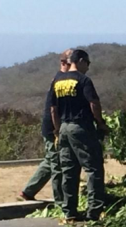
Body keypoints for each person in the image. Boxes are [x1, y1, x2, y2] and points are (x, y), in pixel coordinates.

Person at [50, 49, 109, 222]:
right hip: (81, 127)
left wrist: (57, 129)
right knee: (93, 168)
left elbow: (53, 109)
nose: (88, 67)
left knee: (69, 171)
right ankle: (94, 211)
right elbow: (94, 103)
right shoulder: (83, 80)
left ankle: (70, 212)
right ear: (81, 61)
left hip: (64, 128)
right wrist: (100, 123)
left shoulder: (58, 80)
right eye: (88, 63)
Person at [18, 49, 73, 204]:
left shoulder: (60, 78)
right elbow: (54, 108)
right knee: (57, 164)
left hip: (53, 125)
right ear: (63, 63)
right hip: (53, 127)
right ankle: (60, 200)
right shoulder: (60, 80)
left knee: (51, 159)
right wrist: (57, 129)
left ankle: (28, 191)